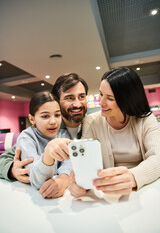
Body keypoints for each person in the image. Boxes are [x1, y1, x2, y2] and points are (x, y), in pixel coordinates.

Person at [68, 67, 160, 197]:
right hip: (106, 195)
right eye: (100, 94)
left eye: (110, 98)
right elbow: (84, 163)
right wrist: (79, 182)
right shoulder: (91, 121)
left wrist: (133, 177)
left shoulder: (145, 119)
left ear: (127, 99)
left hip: (143, 191)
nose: (101, 102)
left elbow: (158, 158)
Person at [0, 73, 88, 198]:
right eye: (69, 98)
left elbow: (70, 162)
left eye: (81, 97)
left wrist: (63, 179)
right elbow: (5, 159)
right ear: (58, 101)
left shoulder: (91, 125)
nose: (77, 104)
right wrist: (11, 170)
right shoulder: (31, 136)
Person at [15, 91, 71, 195]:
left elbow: (69, 163)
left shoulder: (63, 134)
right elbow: (37, 181)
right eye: (45, 116)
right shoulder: (26, 138)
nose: (53, 121)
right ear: (32, 119)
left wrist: (63, 179)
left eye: (57, 115)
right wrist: (48, 152)